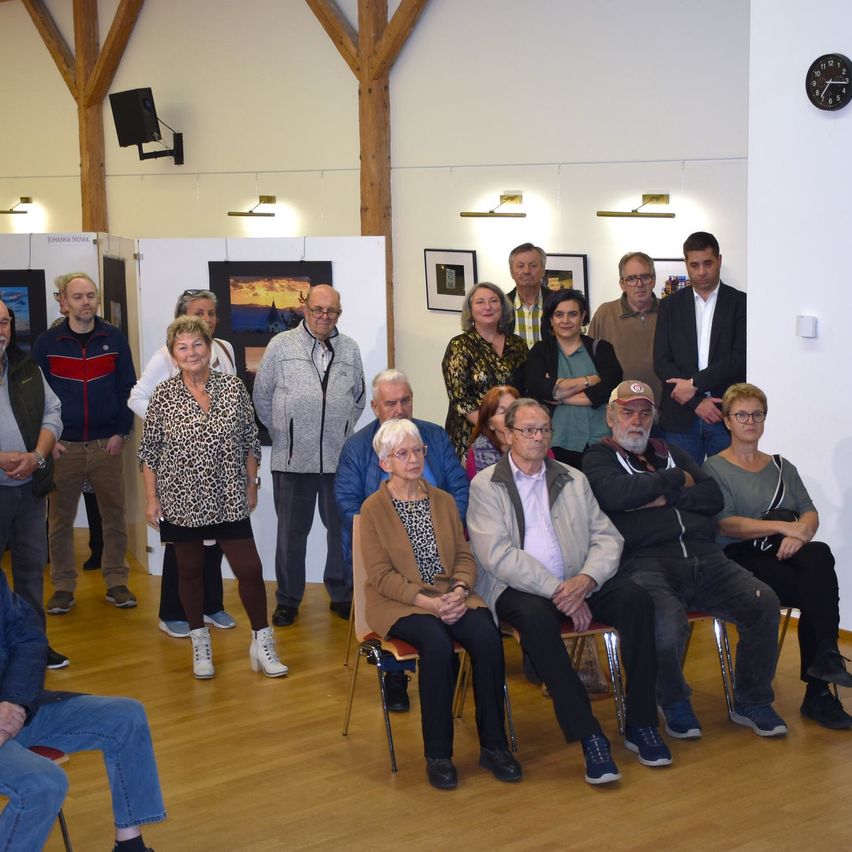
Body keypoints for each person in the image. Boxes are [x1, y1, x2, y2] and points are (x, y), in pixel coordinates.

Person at [467, 398, 670, 785]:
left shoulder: (573, 479)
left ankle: (641, 723)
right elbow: (497, 555)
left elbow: (607, 536)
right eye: (528, 430)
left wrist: (587, 580)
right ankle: (589, 734)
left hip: (579, 582)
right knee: (538, 622)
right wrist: (558, 590)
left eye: (544, 429)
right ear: (507, 435)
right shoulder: (486, 484)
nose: (538, 437)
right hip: (518, 588)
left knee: (637, 600)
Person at [583, 380, 787, 739]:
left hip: (707, 558)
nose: (636, 421)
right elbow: (615, 495)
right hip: (645, 562)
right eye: (628, 412)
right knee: (666, 622)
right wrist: (676, 480)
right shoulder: (598, 456)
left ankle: (752, 700)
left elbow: (712, 497)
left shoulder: (672, 449)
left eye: (645, 414)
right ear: (611, 416)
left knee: (765, 602)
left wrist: (659, 495)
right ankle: (673, 699)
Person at [360, 418, 522, 790]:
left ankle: (494, 746)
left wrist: (461, 590)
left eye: (418, 450)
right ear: (385, 462)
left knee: (486, 636)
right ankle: (438, 754)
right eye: (403, 453)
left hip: (451, 594)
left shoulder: (445, 501)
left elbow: (465, 556)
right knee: (435, 643)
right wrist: (428, 604)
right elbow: (381, 576)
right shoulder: (374, 509)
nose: (414, 459)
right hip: (399, 603)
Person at [139, 316, 287, 680]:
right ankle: (199, 642)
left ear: (210, 348)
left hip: (228, 495)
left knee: (250, 569)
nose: (191, 353)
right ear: (174, 355)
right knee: (188, 570)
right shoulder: (163, 395)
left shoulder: (233, 388)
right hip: (181, 499)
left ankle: (262, 641)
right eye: (183, 347)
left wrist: (252, 482)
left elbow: (250, 440)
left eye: (197, 345)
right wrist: (150, 498)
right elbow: (149, 452)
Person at [703, 382, 852, 729]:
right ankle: (819, 687)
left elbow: (809, 512)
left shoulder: (782, 466)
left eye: (757, 414)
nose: (750, 421)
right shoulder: (714, 469)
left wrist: (802, 533)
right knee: (816, 591)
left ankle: (825, 662)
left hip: (786, 552)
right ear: (727, 421)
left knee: (819, 554)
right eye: (741, 414)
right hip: (740, 558)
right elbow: (727, 525)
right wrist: (786, 528)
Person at [0, 570, 165, 851]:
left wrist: (14, 702)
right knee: (43, 784)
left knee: (125, 716)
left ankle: (129, 844)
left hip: (14, 708)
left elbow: (27, 637)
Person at [335, 369, 469, 711]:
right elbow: (348, 505)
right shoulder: (357, 447)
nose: (399, 410)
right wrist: (393, 537)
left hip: (438, 550)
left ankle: (446, 658)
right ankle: (394, 674)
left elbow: (458, 489)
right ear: (376, 407)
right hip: (385, 559)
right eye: (390, 403)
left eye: (405, 401)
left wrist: (446, 527)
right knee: (398, 586)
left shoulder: (435, 437)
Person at [253, 284, 366, 627]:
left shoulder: (350, 348)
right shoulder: (281, 346)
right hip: (291, 461)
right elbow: (262, 395)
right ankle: (288, 600)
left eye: (331, 311)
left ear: (339, 314)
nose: (323, 317)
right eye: (317, 309)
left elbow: (358, 398)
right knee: (290, 534)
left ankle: (342, 595)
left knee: (341, 532)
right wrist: (285, 433)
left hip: (337, 459)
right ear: (305, 309)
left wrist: (341, 426)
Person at [129, 288, 238, 639]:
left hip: (218, 467)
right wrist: (179, 427)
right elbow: (137, 397)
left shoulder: (224, 349)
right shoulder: (167, 355)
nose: (206, 319)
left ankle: (211, 605)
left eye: (210, 313)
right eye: (198, 312)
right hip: (179, 468)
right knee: (182, 544)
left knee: (215, 539)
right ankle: (172, 612)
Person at [32, 272, 138, 615]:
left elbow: (128, 388)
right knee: (59, 521)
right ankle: (63, 587)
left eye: (91, 295)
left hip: (107, 444)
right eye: (78, 297)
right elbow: (35, 398)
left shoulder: (114, 338)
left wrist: (122, 433)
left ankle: (116, 581)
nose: (86, 302)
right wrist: (50, 442)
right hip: (64, 448)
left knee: (114, 516)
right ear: (63, 302)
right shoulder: (46, 345)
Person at [0, 300, 68, 669]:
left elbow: (52, 413)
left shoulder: (26, 368)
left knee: (29, 573)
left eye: (4, 322)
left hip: (28, 491)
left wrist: (36, 457)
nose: (1, 330)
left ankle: (33, 648)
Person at [653, 231, 746, 464]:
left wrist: (694, 384)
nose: (702, 271)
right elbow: (662, 361)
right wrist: (696, 401)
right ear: (686, 264)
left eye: (708, 263)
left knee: (729, 487)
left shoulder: (741, 303)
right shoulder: (670, 305)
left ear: (719, 261)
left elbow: (740, 358)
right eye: (694, 265)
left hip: (725, 413)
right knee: (683, 488)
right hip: (680, 417)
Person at [524, 289, 622, 469]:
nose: (565, 321)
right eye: (559, 314)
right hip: (556, 442)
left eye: (573, 314)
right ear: (551, 319)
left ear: (583, 316)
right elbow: (539, 387)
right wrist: (590, 380)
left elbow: (606, 390)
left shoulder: (601, 349)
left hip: (601, 441)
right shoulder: (540, 351)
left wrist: (559, 395)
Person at [442, 282, 527, 460]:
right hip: (471, 435)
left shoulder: (517, 344)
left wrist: (513, 429)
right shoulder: (460, 345)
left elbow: (525, 390)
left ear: (503, 308)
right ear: (470, 310)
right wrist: (493, 429)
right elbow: (461, 399)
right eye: (480, 302)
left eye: (494, 301)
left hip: (513, 434)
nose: (488, 307)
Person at [588, 251, 662, 404]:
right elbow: (589, 362)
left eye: (645, 277)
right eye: (632, 279)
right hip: (618, 411)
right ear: (622, 284)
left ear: (653, 280)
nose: (639, 284)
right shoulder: (605, 314)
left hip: (664, 408)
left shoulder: (669, 311)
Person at [465, 385, 520, 479]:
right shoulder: (478, 453)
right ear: (490, 424)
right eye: (503, 412)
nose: (511, 416)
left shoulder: (536, 440)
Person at [506, 242, 550, 347]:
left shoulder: (557, 303)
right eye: (520, 266)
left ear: (543, 270)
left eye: (533, 266)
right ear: (511, 272)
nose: (527, 271)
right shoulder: (500, 306)